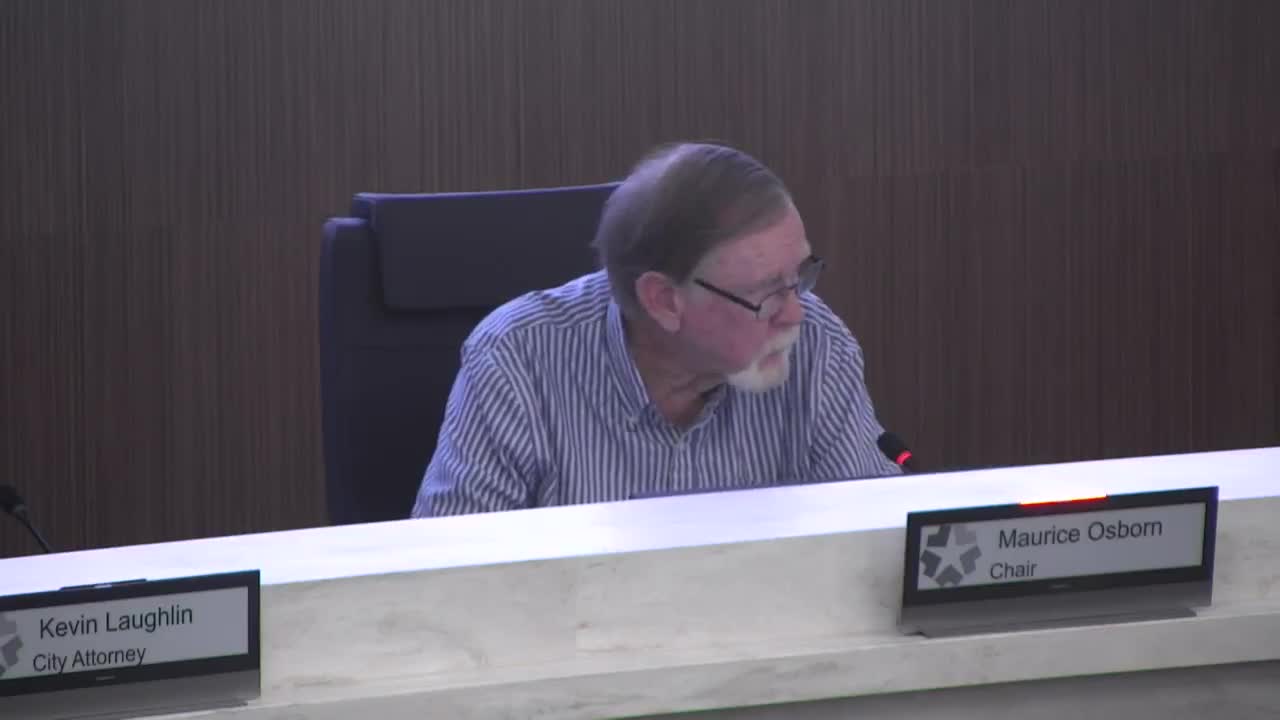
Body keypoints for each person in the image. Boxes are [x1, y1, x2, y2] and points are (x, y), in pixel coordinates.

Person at [411, 142, 899, 517]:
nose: (795, 314)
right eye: (766, 292)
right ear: (664, 301)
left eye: (800, 276)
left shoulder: (816, 345)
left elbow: (873, 540)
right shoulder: (517, 361)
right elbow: (453, 576)